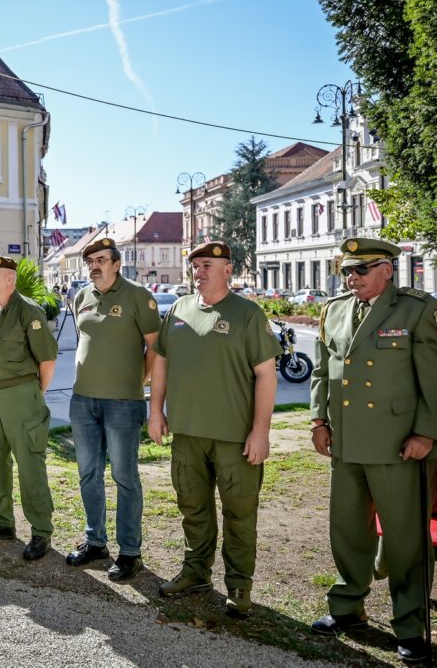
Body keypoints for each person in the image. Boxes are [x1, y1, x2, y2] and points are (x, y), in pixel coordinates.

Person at [309, 238, 437, 663]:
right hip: (347, 441)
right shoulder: (334, 310)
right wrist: (319, 419)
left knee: (406, 541)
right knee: (348, 531)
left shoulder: (415, 309)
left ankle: (410, 625)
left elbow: (434, 378)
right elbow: (321, 369)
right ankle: (348, 607)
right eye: (346, 272)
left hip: (397, 445)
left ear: (388, 269)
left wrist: (425, 433)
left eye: (361, 270)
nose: (351, 278)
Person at [148, 241, 280, 617]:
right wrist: (156, 411)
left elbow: (266, 375)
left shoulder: (248, 314)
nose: (199, 271)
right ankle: (196, 572)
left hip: (234, 437)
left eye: (207, 264)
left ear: (228, 270)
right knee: (193, 506)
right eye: (195, 266)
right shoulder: (179, 309)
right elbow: (161, 363)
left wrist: (260, 432)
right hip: (188, 433)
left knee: (239, 513)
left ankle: (239, 585)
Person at [66, 238, 161, 581]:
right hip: (83, 400)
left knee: (124, 476)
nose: (95, 265)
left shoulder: (138, 296)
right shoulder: (81, 297)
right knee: (88, 473)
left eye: (102, 259)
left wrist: (141, 379)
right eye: (90, 260)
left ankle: (130, 552)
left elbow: (155, 346)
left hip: (123, 402)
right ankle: (95, 542)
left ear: (117, 263)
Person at [0, 257, 58, 561]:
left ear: (10, 279)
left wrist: (35, 394)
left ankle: (40, 531)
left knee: (29, 463)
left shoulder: (28, 311)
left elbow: (47, 361)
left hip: (21, 394)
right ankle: (1, 522)